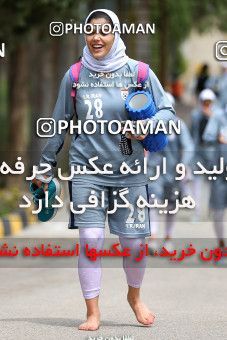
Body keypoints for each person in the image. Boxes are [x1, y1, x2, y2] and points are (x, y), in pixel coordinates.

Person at [32, 9, 175, 331]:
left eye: (105, 31)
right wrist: (44, 167)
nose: (97, 37)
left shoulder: (139, 72)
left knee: (134, 245)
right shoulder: (75, 75)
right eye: (91, 30)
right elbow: (58, 124)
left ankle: (134, 298)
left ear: (116, 35)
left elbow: (167, 111)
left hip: (130, 171)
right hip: (87, 170)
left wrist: (149, 124)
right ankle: (92, 313)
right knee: (91, 240)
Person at [147, 92, 194, 252]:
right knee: (152, 202)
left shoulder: (179, 125)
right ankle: (153, 238)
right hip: (154, 172)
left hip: (173, 173)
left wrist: (183, 164)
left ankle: (168, 238)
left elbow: (188, 147)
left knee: (171, 206)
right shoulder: (150, 123)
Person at [190, 89, 221, 219]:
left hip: (213, 152)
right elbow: (193, 134)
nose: (206, 104)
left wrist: (211, 117)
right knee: (196, 182)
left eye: (209, 102)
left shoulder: (219, 115)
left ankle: (211, 208)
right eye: (204, 102)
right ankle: (197, 212)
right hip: (199, 151)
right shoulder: (195, 115)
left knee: (213, 183)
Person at [203, 102, 226, 252]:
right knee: (218, 211)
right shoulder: (218, 116)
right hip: (220, 173)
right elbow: (207, 136)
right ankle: (222, 245)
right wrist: (219, 137)